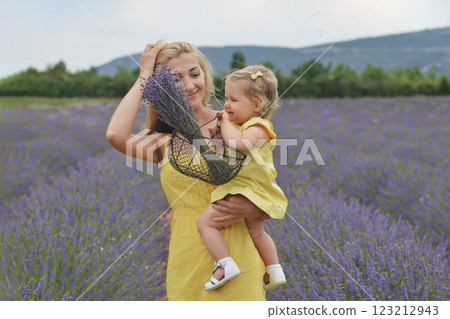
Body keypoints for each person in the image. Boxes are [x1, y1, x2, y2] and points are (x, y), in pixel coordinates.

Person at [106, 42, 273, 300]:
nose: (189, 85)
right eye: (175, 79)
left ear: (205, 74)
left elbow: (267, 185)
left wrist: (254, 208)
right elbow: (116, 135)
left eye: (194, 74)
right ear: (160, 88)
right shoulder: (164, 142)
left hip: (240, 258)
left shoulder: (236, 127)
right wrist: (144, 78)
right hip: (188, 258)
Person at [197, 65, 288, 291]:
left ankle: (224, 265)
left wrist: (226, 124)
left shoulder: (259, 127)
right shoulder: (243, 126)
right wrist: (218, 131)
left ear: (257, 105)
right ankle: (274, 270)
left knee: (205, 223)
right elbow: (224, 144)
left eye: (234, 100)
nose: (226, 104)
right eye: (226, 98)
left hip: (248, 190)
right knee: (256, 232)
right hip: (249, 189)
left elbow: (239, 144)